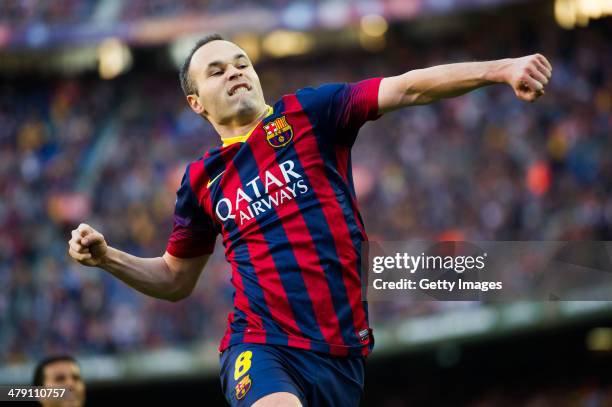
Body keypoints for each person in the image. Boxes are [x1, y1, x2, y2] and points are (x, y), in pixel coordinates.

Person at [68, 33, 552, 406]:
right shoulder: (201, 180)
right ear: (196, 102)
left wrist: (501, 69)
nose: (235, 73)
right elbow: (175, 279)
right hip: (261, 345)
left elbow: (407, 88)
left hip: (342, 357)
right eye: (216, 71)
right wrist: (109, 257)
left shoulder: (309, 114)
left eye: (242, 64)